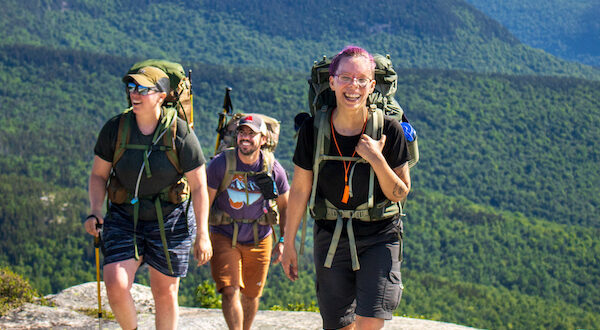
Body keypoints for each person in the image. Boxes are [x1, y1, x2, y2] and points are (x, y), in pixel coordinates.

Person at [281, 46, 411, 330]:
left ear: (372, 85)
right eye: (346, 78)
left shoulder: (389, 130)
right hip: (331, 234)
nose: (354, 86)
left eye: (362, 79)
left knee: (370, 320)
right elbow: (301, 188)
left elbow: (400, 192)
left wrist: (376, 158)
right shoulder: (313, 130)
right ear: (332, 81)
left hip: (380, 233)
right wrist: (288, 243)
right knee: (337, 324)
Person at [83, 66, 212, 330]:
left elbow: (199, 187)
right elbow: (99, 175)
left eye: (143, 89)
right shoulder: (115, 129)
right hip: (124, 215)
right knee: (115, 283)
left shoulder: (180, 133)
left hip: (170, 218)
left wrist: (202, 234)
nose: (135, 94)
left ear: (162, 96)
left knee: (164, 291)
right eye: (131, 88)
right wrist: (96, 209)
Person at [207, 115, 289, 330]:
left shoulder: (273, 169)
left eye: (252, 134)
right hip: (223, 234)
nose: (246, 138)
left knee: (252, 295)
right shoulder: (220, 164)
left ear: (263, 139)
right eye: (242, 133)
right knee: (229, 289)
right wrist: (201, 236)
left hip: (259, 237)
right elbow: (204, 201)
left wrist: (283, 240)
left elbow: (285, 207)